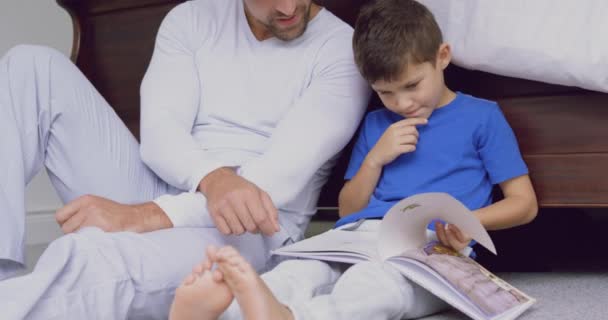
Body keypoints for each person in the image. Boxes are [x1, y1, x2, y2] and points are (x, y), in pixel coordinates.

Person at [167, 0, 539, 319]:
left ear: (442, 57)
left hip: (433, 249)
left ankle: (293, 316)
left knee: (373, 287)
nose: (403, 104)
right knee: (297, 270)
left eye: (412, 85)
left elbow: (524, 205)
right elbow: (348, 208)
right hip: (358, 236)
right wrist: (375, 160)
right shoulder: (378, 124)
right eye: (386, 93)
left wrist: (469, 222)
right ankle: (224, 311)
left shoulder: (482, 117)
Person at [0, 0, 369, 318]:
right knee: (30, 67)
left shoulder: (341, 51)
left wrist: (142, 216)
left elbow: (271, 185)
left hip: (253, 231)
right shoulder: (192, 19)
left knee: (95, 257)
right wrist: (211, 178)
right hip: (166, 186)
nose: (288, 8)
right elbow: (160, 135)